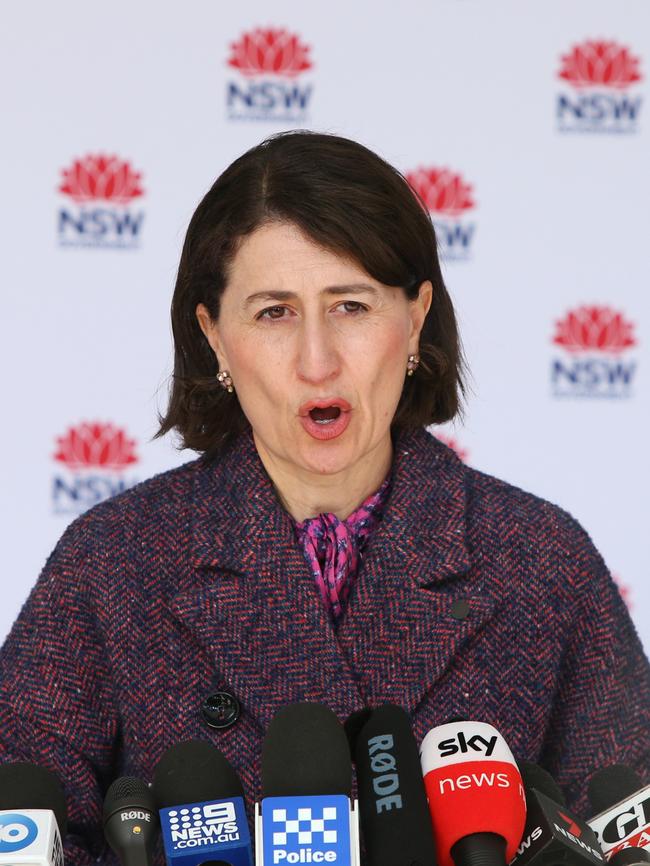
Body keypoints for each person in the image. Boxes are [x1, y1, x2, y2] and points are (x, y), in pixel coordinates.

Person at [0, 131, 648, 865]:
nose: (317, 361)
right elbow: (21, 818)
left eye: (351, 306)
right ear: (214, 336)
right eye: (274, 312)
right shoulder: (114, 559)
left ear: (415, 318)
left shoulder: (540, 558)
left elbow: (627, 829)